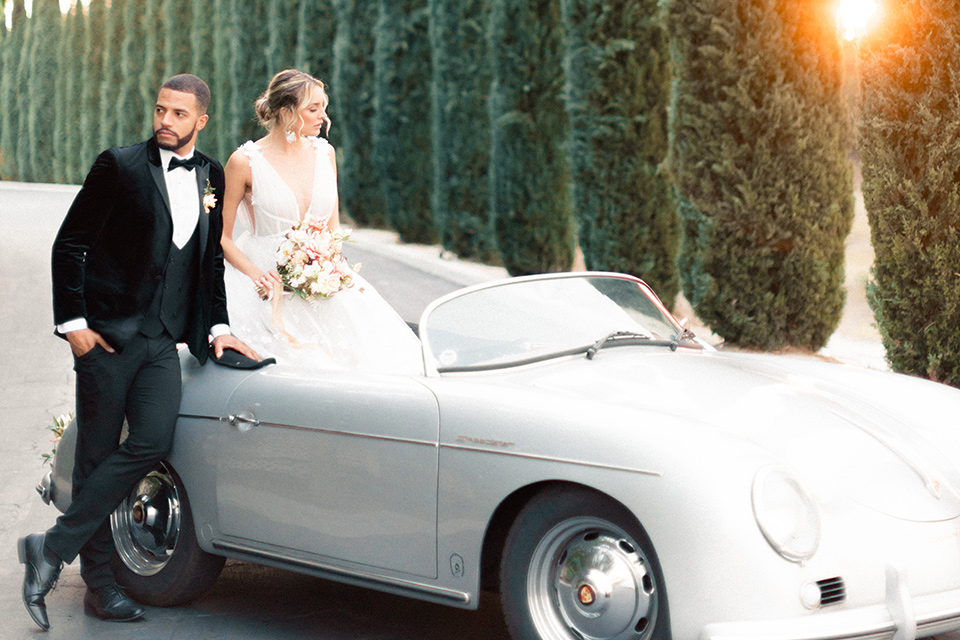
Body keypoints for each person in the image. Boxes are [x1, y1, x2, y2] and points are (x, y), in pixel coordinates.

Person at [18, 74, 259, 631]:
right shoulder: (119, 166)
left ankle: (50, 545)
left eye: (179, 114)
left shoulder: (212, 174)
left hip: (162, 341)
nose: (166, 122)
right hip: (106, 338)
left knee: (153, 438)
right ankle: (100, 586)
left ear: (202, 120)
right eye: (160, 111)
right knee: (96, 458)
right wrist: (73, 325)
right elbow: (70, 244)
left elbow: (208, 262)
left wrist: (217, 325)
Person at [220, 69, 422, 373]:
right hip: (263, 278)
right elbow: (221, 237)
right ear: (287, 113)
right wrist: (256, 275)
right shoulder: (244, 162)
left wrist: (329, 267)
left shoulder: (324, 152)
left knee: (375, 356)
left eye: (323, 108)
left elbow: (332, 226)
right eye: (313, 109)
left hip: (323, 274)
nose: (324, 117)